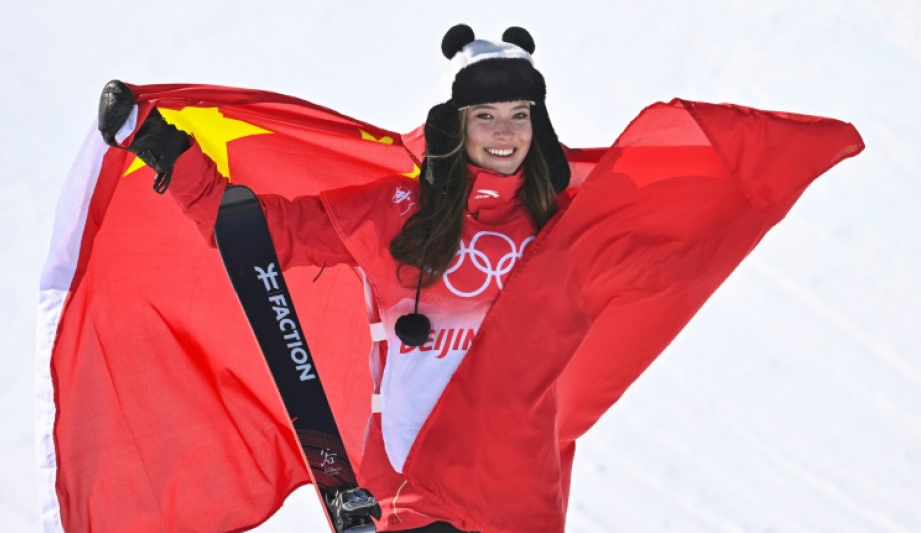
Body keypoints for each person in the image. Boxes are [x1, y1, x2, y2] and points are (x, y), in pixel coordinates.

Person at [98, 24, 569, 533]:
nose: (505, 133)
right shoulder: (397, 212)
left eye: (519, 115)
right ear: (454, 124)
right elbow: (254, 233)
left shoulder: (564, 223)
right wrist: (163, 146)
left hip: (521, 498)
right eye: (485, 116)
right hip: (416, 494)